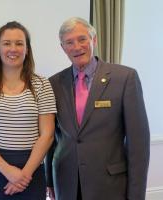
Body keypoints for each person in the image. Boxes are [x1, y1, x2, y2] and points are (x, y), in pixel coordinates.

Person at [45, 17, 150, 200]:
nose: (77, 47)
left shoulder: (125, 78)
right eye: (69, 42)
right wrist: (49, 180)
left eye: (82, 39)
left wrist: (136, 195)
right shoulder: (53, 84)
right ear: (63, 48)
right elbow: (52, 138)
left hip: (109, 186)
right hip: (66, 184)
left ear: (94, 40)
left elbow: (138, 145)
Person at [0, 21, 56, 200]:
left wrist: (24, 175)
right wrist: (8, 171)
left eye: (19, 43)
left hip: (31, 170)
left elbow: (47, 135)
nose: (13, 49)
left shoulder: (42, 84)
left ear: (27, 49)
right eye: (6, 43)